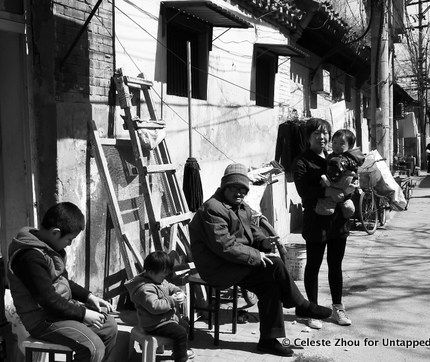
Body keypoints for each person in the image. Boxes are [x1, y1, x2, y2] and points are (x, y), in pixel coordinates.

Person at [189, 163, 332, 357]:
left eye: (243, 190)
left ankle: (268, 341)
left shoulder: (241, 206)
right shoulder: (213, 209)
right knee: (275, 265)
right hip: (217, 267)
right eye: (235, 188)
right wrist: (257, 255)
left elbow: (252, 232)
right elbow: (225, 247)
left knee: (270, 286)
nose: (240, 193)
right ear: (225, 187)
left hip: (235, 263)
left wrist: (264, 242)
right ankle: (301, 305)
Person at [8, 202, 117, 362]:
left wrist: (89, 297)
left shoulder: (50, 249)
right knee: (92, 348)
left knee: (109, 326)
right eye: (69, 239)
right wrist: (84, 314)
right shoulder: (29, 257)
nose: (70, 243)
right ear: (55, 233)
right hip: (42, 319)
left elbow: (63, 281)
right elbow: (47, 299)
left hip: (58, 311)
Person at [293, 118, 353, 330]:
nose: (322, 137)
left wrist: (350, 189)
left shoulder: (335, 157)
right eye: (316, 133)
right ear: (308, 137)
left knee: (335, 266)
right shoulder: (302, 161)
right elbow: (303, 191)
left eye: (325, 133)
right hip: (316, 221)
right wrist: (327, 191)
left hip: (337, 221)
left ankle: (338, 307)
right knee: (314, 265)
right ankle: (313, 309)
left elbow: (348, 177)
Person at [125, 251, 195, 362]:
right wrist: (172, 300)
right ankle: (181, 358)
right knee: (180, 332)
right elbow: (155, 307)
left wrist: (178, 291)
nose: (165, 277)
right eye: (163, 275)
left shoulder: (158, 279)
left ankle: (178, 351)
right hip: (155, 324)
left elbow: (169, 286)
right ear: (151, 272)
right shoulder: (145, 289)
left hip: (165, 319)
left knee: (185, 325)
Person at [314, 129, 364, 218]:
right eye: (334, 142)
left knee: (340, 200)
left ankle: (344, 207)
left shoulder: (349, 158)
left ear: (350, 146)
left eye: (341, 143)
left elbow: (353, 172)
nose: (337, 145)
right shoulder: (331, 156)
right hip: (335, 186)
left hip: (343, 185)